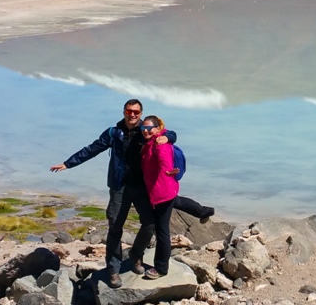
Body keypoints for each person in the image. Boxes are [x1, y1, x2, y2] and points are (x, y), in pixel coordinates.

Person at [49, 98, 161, 288]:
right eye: (129, 111)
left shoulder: (146, 130)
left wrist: (168, 138)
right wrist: (68, 163)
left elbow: (167, 134)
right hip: (119, 187)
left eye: (136, 112)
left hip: (141, 187)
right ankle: (114, 269)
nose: (132, 115)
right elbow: (92, 149)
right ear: (124, 112)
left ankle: (135, 256)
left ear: (141, 114)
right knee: (115, 226)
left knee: (150, 224)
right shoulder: (113, 132)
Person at [138, 114, 215, 279]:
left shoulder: (160, 145)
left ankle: (161, 268)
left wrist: (166, 174)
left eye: (149, 128)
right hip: (164, 190)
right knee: (178, 201)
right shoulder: (152, 140)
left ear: (157, 128)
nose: (145, 131)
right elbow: (170, 134)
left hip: (162, 192)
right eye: (143, 128)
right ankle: (204, 211)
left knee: (162, 230)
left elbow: (165, 163)